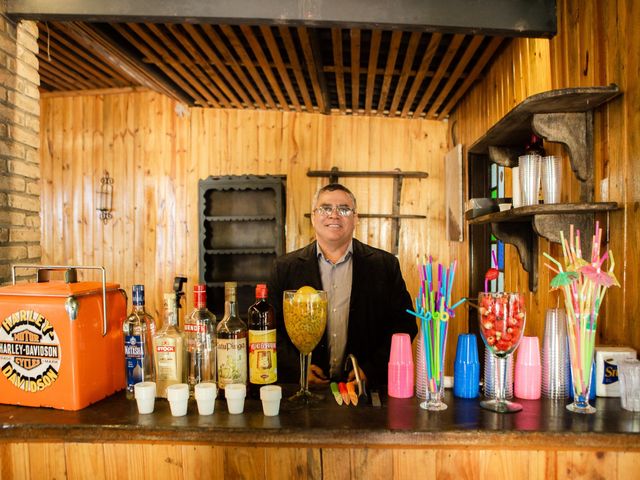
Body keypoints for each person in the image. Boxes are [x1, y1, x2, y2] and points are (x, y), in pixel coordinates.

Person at [268, 183, 417, 388]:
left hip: (365, 394)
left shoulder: (385, 266)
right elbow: (268, 330)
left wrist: (371, 370)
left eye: (344, 209)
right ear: (313, 216)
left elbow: (405, 325)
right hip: (303, 391)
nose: (334, 215)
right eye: (326, 208)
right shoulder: (284, 268)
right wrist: (297, 369)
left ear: (355, 218)